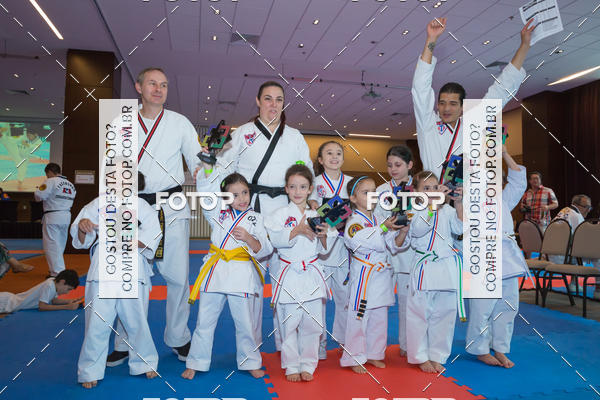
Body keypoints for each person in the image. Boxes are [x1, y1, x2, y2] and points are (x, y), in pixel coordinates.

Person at [107, 67, 202, 366]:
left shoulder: (180, 122)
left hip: (171, 206)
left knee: (178, 278)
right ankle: (124, 341)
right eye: (152, 83)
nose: (158, 89)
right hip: (132, 206)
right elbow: (113, 166)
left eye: (163, 84)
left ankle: (179, 337)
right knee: (128, 277)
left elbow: (197, 162)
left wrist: (210, 164)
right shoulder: (121, 122)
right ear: (138, 87)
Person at [215, 81, 313, 352]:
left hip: (284, 209)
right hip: (251, 208)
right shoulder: (243, 133)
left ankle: (286, 345)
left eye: (279, 99)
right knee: (253, 282)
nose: (273, 104)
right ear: (258, 101)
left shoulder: (294, 136)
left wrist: (309, 200)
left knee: (285, 280)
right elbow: (225, 170)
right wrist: (226, 203)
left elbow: (305, 172)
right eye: (268, 99)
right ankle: (252, 348)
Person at [412, 17, 535, 179]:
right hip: (432, 192)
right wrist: (431, 39)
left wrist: (525, 45)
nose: (446, 108)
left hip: (464, 192)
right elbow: (420, 87)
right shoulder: (427, 124)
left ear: (462, 107)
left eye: (453, 104)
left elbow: (500, 91)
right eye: (442, 103)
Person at [182, 171, 272, 380]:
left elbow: (264, 249)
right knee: (204, 321)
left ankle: (251, 362)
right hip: (215, 270)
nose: (242, 199)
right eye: (235, 195)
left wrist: (248, 238)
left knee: (245, 323)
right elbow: (206, 192)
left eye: (245, 192)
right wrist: (205, 172)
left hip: (241, 274)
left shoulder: (256, 218)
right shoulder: (217, 212)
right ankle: (196, 362)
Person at [73, 178, 162, 389]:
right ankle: (90, 370)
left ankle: (144, 362)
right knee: (96, 324)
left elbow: (154, 234)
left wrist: (132, 240)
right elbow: (81, 235)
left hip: (133, 267)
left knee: (137, 321)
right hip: (103, 269)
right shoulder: (98, 203)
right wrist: (82, 227)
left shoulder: (142, 206)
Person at [264, 164, 336, 382]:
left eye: (303, 187)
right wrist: (296, 230)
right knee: (289, 323)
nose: (297, 191)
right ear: (286, 188)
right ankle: (291, 365)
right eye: (293, 186)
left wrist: (323, 235)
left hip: (311, 273)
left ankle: (308, 364)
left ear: (310, 189)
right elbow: (275, 240)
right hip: (289, 274)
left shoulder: (318, 215)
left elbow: (325, 249)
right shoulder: (278, 215)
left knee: (312, 324)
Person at [466, 144, 529, 369]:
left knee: (508, 306)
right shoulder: (469, 202)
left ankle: (501, 347)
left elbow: (519, 181)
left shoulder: (503, 200)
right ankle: (480, 349)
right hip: (481, 257)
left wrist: (504, 153)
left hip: (507, 258)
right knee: (482, 308)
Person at [340, 176, 409, 374]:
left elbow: (393, 244)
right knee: (359, 316)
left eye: (374, 192)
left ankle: (374, 353)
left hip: (381, 274)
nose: (371, 196)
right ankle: (354, 356)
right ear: (353, 198)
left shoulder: (379, 218)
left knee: (380, 316)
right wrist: (385, 227)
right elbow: (358, 241)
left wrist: (403, 232)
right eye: (365, 193)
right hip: (364, 274)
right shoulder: (353, 221)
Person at [406, 171, 464, 374]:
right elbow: (418, 230)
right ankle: (420, 356)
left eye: (434, 187)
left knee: (445, 315)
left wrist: (458, 202)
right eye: (426, 188)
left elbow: (460, 228)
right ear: (415, 192)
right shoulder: (413, 209)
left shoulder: (446, 210)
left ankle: (437, 355)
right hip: (425, 267)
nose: (431, 191)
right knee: (419, 314)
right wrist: (433, 206)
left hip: (446, 266)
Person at [307, 140, 352, 358]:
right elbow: (310, 212)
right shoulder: (314, 184)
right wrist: (314, 206)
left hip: (344, 247)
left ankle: (344, 341)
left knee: (345, 299)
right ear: (320, 159)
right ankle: (319, 344)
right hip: (322, 248)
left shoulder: (351, 183)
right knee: (319, 301)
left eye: (338, 153)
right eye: (329, 153)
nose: (334, 157)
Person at [373, 145, 414, 357]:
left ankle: (407, 345)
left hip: (408, 253)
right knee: (379, 304)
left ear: (410, 165)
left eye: (398, 165)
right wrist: (388, 224)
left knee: (408, 304)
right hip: (386, 252)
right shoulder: (381, 190)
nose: (393, 169)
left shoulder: (418, 189)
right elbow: (376, 222)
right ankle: (375, 349)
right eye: (389, 165)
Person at [34, 163, 76, 277]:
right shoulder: (70, 184)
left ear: (49, 172)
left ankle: (58, 273)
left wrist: (38, 190)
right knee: (60, 245)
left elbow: (38, 196)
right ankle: (54, 270)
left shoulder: (50, 181)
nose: (47, 176)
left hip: (53, 215)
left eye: (47, 174)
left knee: (51, 245)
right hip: (66, 215)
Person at [0, 269, 80, 313]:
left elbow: (53, 300)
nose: (67, 292)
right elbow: (42, 307)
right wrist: (66, 307)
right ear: (62, 282)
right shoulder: (49, 285)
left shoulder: (54, 282)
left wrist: (69, 301)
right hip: (6, 303)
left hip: (9, 300)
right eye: (68, 289)